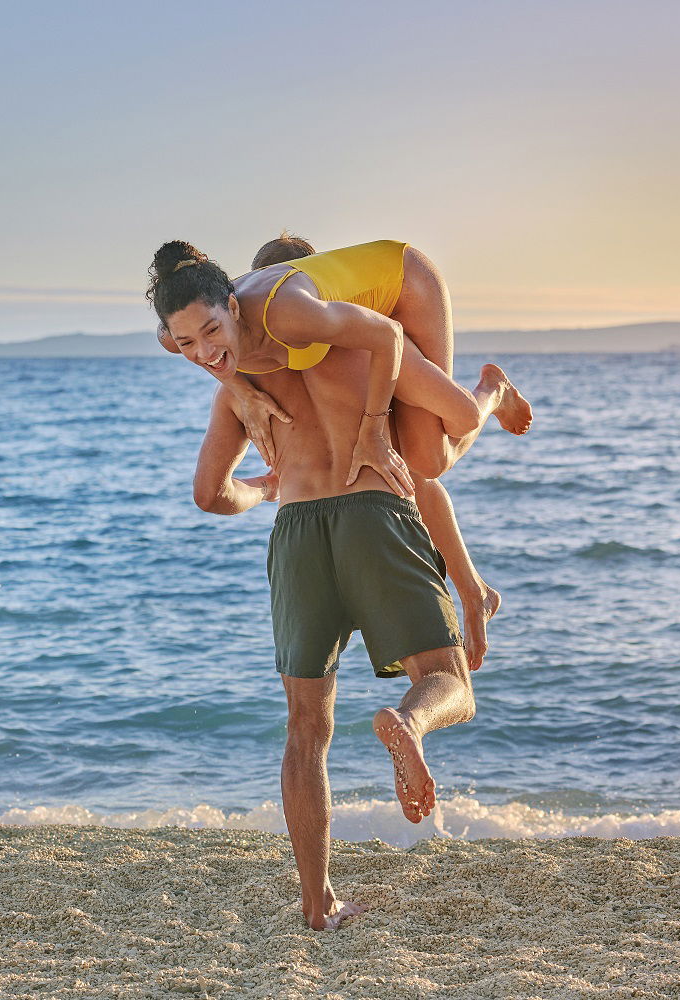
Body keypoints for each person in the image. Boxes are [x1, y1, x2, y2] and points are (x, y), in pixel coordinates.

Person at [155, 240, 480, 933]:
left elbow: (209, 495)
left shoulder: (236, 383)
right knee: (446, 680)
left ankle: (316, 903)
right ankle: (409, 723)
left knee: (306, 732)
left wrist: (262, 488)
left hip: (297, 531)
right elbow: (433, 464)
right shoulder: (361, 350)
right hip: (374, 514)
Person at [152, 235, 532, 669]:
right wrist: (240, 387)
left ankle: (493, 390)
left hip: (410, 281)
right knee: (413, 466)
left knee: (437, 449)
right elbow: (195, 342)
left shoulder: (302, 313)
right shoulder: (201, 317)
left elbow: (384, 334)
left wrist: (373, 429)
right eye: (188, 343)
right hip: (344, 321)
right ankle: (476, 592)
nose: (198, 348)